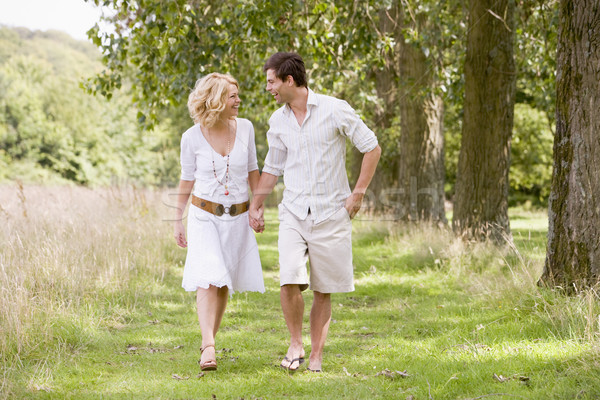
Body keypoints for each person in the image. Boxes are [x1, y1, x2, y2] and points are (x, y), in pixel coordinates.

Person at [249, 52, 381, 372]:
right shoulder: (277, 121)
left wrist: (358, 194)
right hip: (294, 211)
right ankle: (295, 343)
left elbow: (371, 147)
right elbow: (273, 167)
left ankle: (316, 356)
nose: (269, 88)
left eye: (271, 81)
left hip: (331, 213)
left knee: (323, 289)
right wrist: (256, 204)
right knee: (289, 278)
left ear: (289, 80)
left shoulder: (336, 109)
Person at [174, 72, 265, 372]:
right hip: (203, 216)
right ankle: (208, 346)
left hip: (237, 217)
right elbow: (186, 180)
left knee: (224, 282)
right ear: (215, 100)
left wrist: (257, 207)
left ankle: (209, 338)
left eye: (238, 94)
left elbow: (253, 170)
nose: (239, 100)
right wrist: (178, 219)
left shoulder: (247, 128)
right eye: (232, 95)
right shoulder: (191, 137)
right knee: (209, 277)